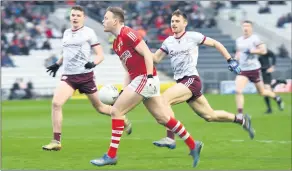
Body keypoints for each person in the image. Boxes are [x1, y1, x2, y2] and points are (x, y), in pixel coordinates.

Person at [90, 7, 203, 168]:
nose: (103, 21)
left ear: (115, 21)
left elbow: (147, 54)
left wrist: (149, 77)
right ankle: (193, 145)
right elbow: (128, 69)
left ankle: (111, 155)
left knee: (116, 111)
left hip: (145, 78)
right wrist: (124, 89)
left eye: (106, 18)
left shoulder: (128, 33)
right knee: (163, 118)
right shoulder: (116, 43)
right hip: (140, 80)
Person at [150, 9, 254, 149]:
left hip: (191, 79)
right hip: (183, 83)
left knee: (164, 99)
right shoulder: (168, 42)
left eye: (177, 21)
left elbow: (216, 44)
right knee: (210, 116)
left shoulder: (193, 36)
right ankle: (241, 119)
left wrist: (230, 60)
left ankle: (170, 138)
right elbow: (155, 59)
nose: (173, 24)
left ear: (185, 23)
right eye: (172, 21)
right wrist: (143, 50)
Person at [42, 5, 132, 151]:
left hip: (85, 76)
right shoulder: (66, 33)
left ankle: (121, 116)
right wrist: (57, 64)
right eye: (73, 15)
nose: (75, 18)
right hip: (69, 76)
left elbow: (100, 54)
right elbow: (67, 52)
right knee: (56, 103)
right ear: (70, 17)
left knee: (101, 108)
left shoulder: (89, 33)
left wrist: (93, 63)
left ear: (83, 17)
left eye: (78, 15)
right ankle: (56, 141)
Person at [234, 20, 284, 116]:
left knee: (261, 92)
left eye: (248, 26)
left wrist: (252, 51)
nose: (246, 28)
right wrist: (235, 59)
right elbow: (238, 52)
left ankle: (276, 97)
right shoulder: (239, 40)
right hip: (243, 70)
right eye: (244, 26)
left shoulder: (255, 39)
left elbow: (264, 51)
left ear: (251, 28)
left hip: (254, 69)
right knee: (238, 90)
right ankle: (240, 113)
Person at [258, 49, 287, 114]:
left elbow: (273, 55)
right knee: (266, 91)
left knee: (266, 91)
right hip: (261, 72)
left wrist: (273, 66)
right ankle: (278, 83)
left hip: (266, 72)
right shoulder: (256, 51)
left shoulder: (264, 50)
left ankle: (274, 103)